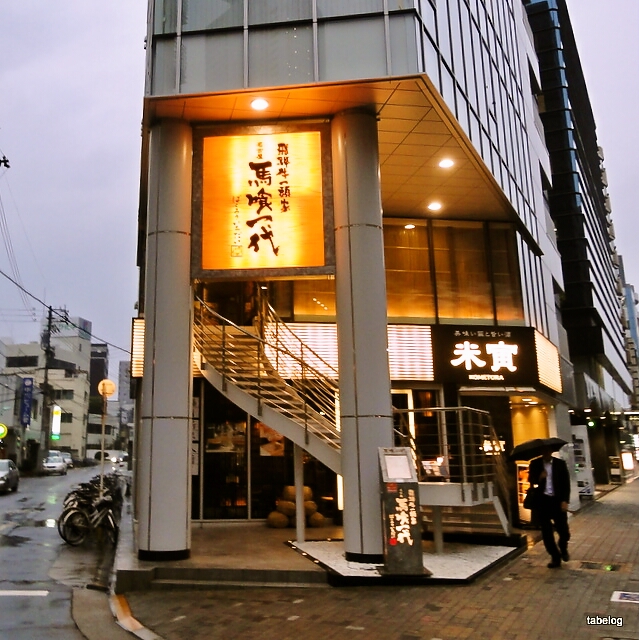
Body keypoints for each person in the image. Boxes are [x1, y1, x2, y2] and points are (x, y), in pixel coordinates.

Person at [528, 445, 571, 568]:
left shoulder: (560, 464)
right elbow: (531, 480)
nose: (546, 453)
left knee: (564, 531)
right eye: (544, 451)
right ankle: (555, 557)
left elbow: (566, 483)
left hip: (557, 501)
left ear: (552, 451)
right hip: (543, 502)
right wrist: (539, 478)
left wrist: (565, 500)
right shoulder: (535, 464)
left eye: (548, 451)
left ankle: (563, 546)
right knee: (547, 533)